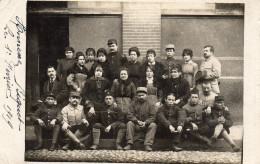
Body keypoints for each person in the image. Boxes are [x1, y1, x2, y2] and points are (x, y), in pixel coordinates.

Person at [124, 87, 157, 151]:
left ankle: (147, 144)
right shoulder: (133, 103)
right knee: (129, 123)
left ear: (146, 95)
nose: (141, 97)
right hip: (136, 124)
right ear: (136, 96)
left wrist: (146, 122)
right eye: (139, 95)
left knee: (153, 125)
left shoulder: (151, 104)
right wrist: (137, 121)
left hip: (146, 125)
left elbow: (153, 117)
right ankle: (129, 143)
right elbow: (129, 115)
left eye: (143, 95)